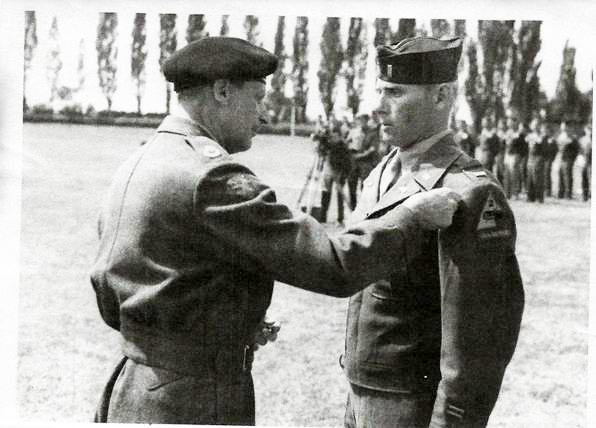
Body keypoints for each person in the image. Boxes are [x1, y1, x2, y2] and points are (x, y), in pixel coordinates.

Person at [90, 37, 461, 425]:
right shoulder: (211, 176)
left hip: (136, 385)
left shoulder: (144, 159)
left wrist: (222, 324)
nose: (263, 116)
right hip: (191, 397)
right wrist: (412, 217)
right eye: (257, 99)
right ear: (222, 92)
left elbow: (125, 284)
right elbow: (334, 266)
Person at [342, 36, 524, 428]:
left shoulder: (470, 191)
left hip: (410, 402)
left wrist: (452, 420)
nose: (378, 106)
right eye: (380, 91)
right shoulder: (381, 172)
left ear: (441, 96)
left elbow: (479, 339)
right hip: (361, 390)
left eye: (395, 93)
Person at [313, 117, 352, 224]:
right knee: (325, 193)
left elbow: (347, 163)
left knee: (340, 196)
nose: (332, 137)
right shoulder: (329, 144)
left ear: (339, 135)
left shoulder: (343, 146)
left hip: (339, 172)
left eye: (335, 135)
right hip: (329, 171)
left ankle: (340, 218)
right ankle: (323, 217)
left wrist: (343, 175)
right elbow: (322, 151)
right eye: (332, 135)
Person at [346, 113, 381, 210]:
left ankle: (363, 210)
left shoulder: (372, 133)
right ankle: (353, 209)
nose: (361, 123)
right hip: (354, 162)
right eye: (359, 121)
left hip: (366, 163)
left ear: (367, 121)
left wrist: (360, 155)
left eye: (363, 120)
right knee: (351, 185)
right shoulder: (354, 132)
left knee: (364, 187)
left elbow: (373, 149)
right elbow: (347, 142)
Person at [525, 118, 546, 203]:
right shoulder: (530, 135)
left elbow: (540, 142)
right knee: (530, 177)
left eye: (536, 125)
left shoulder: (542, 135)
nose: (535, 127)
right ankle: (530, 197)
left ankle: (539, 197)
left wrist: (535, 138)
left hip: (538, 157)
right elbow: (526, 140)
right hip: (531, 157)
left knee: (537, 177)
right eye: (533, 125)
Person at [557, 122, 580, 199]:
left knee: (567, 176)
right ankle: (560, 193)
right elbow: (559, 148)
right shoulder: (561, 136)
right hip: (561, 158)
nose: (563, 128)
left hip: (568, 159)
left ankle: (568, 194)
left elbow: (576, 149)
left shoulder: (572, 137)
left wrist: (573, 158)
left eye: (564, 127)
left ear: (567, 127)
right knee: (561, 175)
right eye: (562, 127)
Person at [542, 123, 558, 198]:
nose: (545, 132)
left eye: (546, 130)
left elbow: (555, 150)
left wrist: (552, 158)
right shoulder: (543, 138)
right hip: (542, 158)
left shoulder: (552, 140)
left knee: (547, 174)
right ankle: (543, 189)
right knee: (543, 174)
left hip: (548, 159)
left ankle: (548, 191)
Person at [579, 124, 592, 201]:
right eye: (588, 130)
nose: (589, 132)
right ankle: (585, 195)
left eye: (590, 130)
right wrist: (581, 159)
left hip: (591, 162)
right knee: (584, 178)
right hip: (585, 161)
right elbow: (580, 150)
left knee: (591, 179)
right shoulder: (582, 139)